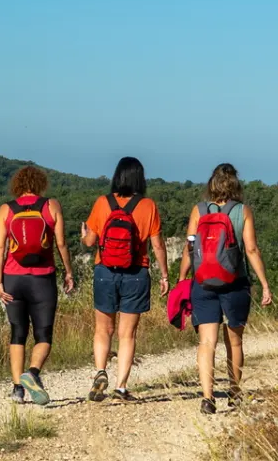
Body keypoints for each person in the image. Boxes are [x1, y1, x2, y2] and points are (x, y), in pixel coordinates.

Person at [178, 163, 273, 414]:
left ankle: (207, 398)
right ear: (236, 185)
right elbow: (251, 249)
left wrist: (182, 278)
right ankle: (234, 391)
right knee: (235, 341)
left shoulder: (198, 210)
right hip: (235, 283)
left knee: (206, 342)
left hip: (203, 283)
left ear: (212, 184)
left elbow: (189, 248)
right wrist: (264, 284)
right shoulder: (243, 211)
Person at [81, 156, 170, 403]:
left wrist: (83, 235)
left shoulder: (103, 203)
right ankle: (121, 387)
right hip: (136, 272)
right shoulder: (148, 206)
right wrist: (164, 275)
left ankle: (100, 372)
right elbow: (158, 245)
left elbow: (90, 241)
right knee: (127, 334)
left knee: (103, 329)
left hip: (104, 271)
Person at [0, 165, 76, 405]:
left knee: (18, 332)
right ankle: (33, 372)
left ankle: (17, 389)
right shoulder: (51, 206)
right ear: (40, 183)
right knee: (43, 333)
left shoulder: (6, 209)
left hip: (13, 277)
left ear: (17, 185)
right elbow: (61, 244)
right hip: (42, 278)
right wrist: (69, 272)